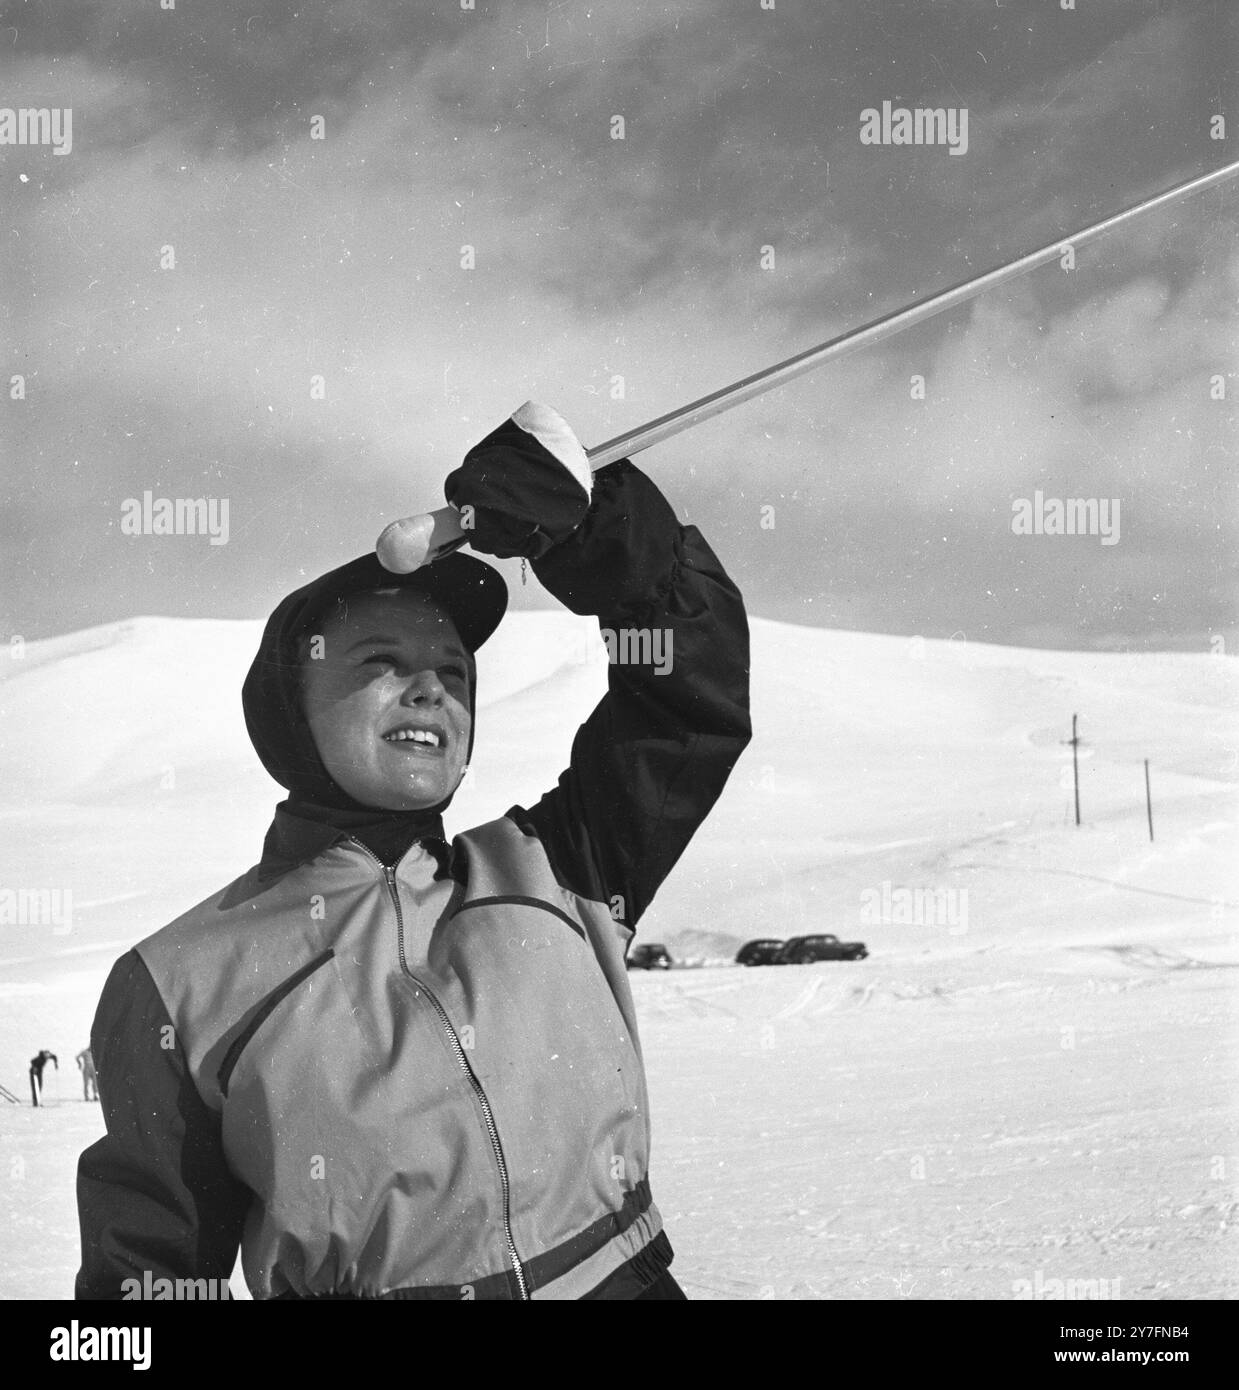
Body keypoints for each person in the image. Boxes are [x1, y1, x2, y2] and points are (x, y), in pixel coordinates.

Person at [75, 403, 751, 1300]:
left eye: (455, 672)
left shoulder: (559, 867)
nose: (430, 686)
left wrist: (594, 533)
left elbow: (686, 697)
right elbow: (147, 1290)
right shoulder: (177, 981)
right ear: (292, 712)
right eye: (379, 661)